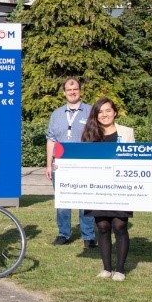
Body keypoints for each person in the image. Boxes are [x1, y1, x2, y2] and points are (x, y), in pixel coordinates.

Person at [80, 98, 134, 282]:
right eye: (100, 111)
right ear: (96, 115)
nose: (104, 115)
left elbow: (136, 158)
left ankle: (120, 270)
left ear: (115, 112)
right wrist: (62, 167)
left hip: (120, 186)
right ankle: (106, 268)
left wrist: (150, 166)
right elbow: (79, 160)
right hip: (97, 188)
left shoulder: (126, 132)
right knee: (103, 226)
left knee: (120, 225)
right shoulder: (89, 133)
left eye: (108, 110)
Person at [46, 78, 95, 248]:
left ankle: (88, 235)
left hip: (84, 164)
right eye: (69, 89)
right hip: (60, 165)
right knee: (62, 200)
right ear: (64, 92)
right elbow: (51, 140)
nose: (72, 92)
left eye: (75, 89)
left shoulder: (90, 111)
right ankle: (63, 233)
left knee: (85, 200)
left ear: (80, 91)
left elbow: (97, 137)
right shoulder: (56, 114)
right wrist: (48, 164)